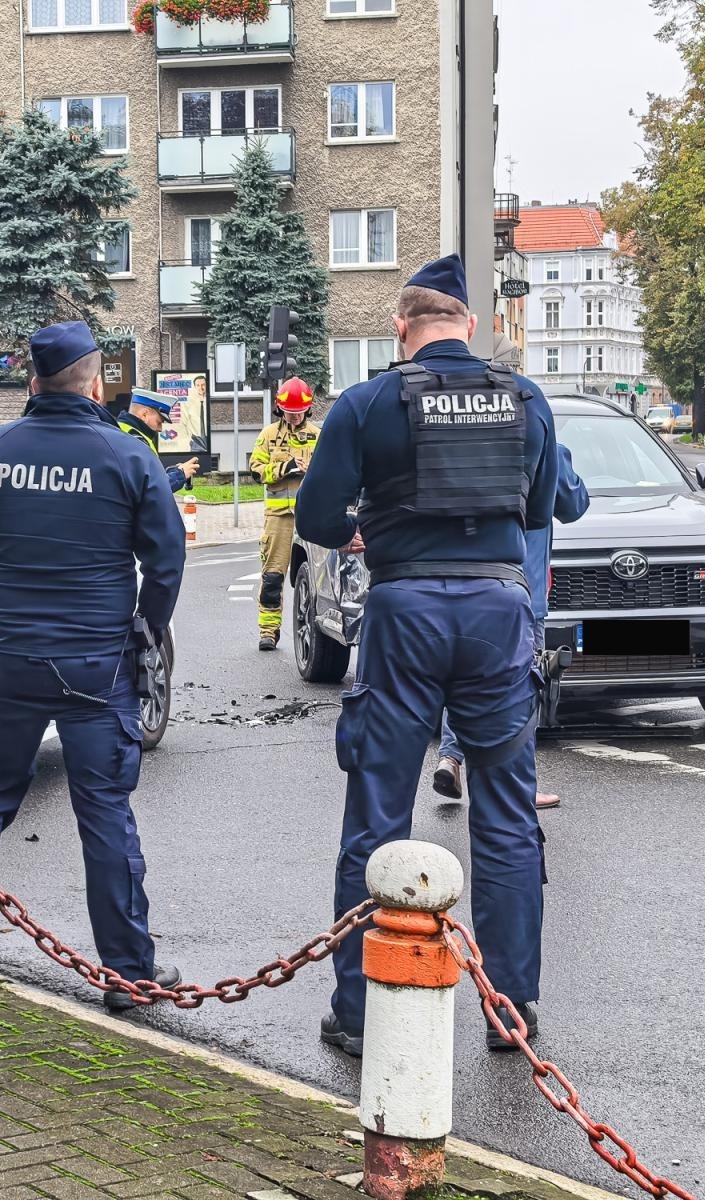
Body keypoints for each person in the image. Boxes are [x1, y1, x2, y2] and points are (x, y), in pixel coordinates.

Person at [295, 253, 558, 1055]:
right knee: (508, 817)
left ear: (401, 327)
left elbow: (314, 515)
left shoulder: (370, 401)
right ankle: (509, 1011)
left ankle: (361, 1010)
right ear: (470, 326)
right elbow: (547, 507)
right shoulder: (524, 399)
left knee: (375, 816)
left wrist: (358, 530)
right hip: (497, 612)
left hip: (403, 608)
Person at [0, 321, 187, 1011]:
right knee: (105, 811)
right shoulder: (125, 456)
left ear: (34, 380)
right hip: (96, 661)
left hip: (14, 658)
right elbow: (166, 559)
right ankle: (127, 973)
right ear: (97, 379)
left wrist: (2, 620)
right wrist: (145, 626)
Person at [432, 441, 588, 809]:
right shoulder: (543, 446)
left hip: (468, 590)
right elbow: (574, 504)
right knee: (522, 690)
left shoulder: (467, 448)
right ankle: (519, 786)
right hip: (523, 595)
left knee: (466, 678)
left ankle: (450, 759)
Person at [248, 376, 322, 651]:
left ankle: (318, 630)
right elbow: (256, 470)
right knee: (272, 577)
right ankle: (269, 631)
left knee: (317, 578)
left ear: (308, 409)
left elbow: (330, 471)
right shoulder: (268, 436)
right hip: (279, 519)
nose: (294, 417)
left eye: (299, 412)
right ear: (280, 410)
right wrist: (285, 468)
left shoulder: (318, 436)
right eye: (290, 413)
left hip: (310, 516)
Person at [117, 387, 201, 491]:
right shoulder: (135, 440)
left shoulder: (122, 431)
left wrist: (173, 472)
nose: (161, 429)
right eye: (159, 421)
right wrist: (180, 475)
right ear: (144, 414)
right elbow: (150, 489)